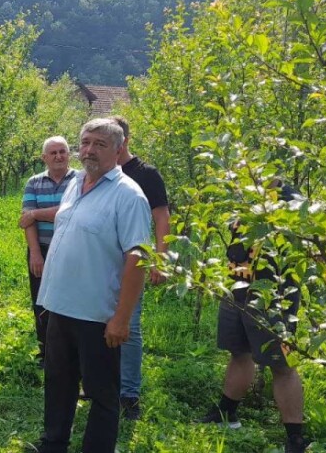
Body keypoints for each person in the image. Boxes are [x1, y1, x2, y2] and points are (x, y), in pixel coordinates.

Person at [35, 118, 151, 453]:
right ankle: (54, 443)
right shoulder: (76, 184)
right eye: (85, 142)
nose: (89, 150)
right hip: (60, 306)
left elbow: (138, 257)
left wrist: (121, 318)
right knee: (58, 383)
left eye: (99, 144)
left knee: (102, 394)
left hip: (97, 315)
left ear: (118, 149)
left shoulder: (128, 196)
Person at [198, 179, 309, 453]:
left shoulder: (288, 195)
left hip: (273, 296)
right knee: (238, 352)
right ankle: (226, 414)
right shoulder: (244, 193)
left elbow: (303, 236)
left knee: (282, 365)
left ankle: (295, 438)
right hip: (237, 288)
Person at [110, 115, 171, 420]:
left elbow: (161, 218)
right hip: (102, 259)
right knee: (97, 321)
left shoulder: (146, 174)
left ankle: (129, 393)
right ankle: (103, 384)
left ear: (126, 140)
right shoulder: (98, 171)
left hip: (132, 260)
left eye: (115, 137)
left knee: (129, 327)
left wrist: (159, 259)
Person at [18, 136, 76, 366]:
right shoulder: (34, 182)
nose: (59, 156)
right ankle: (47, 350)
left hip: (73, 250)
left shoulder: (80, 180)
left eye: (63, 151)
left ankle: (70, 351)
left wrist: (35, 213)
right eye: (53, 153)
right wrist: (35, 253)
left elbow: (72, 212)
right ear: (44, 158)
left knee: (71, 299)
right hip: (42, 247)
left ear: (69, 154)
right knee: (41, 300)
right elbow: (26, 220)